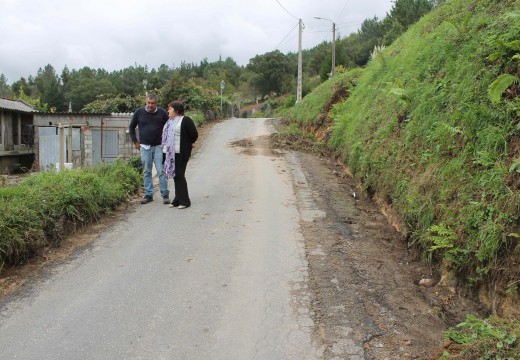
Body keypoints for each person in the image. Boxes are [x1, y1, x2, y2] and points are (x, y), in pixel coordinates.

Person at [129, 94, 170, 205]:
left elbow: (168, 127)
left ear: (156, 103)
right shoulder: (139, 112)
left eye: (152, 103)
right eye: (148, 103)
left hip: (159, 146)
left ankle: (165, 194)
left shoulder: (162, 113)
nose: (150, 105)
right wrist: (135, 142)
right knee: (147, 171)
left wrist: (167, 143)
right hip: (145, 146)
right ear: (146, 102)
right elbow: (131, 127)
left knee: (161, 170)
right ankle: (148, 194)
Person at [162, 100, 198, 209]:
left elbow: (194, 135)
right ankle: (177, 200)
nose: (168, 110)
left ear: (177, 110)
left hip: (181, 153)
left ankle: (185, 201)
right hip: (170, 153)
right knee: (175, 176)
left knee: (180, 175)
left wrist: (187, 144)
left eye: (170, 109)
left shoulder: (185, 120)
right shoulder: (170, 122)